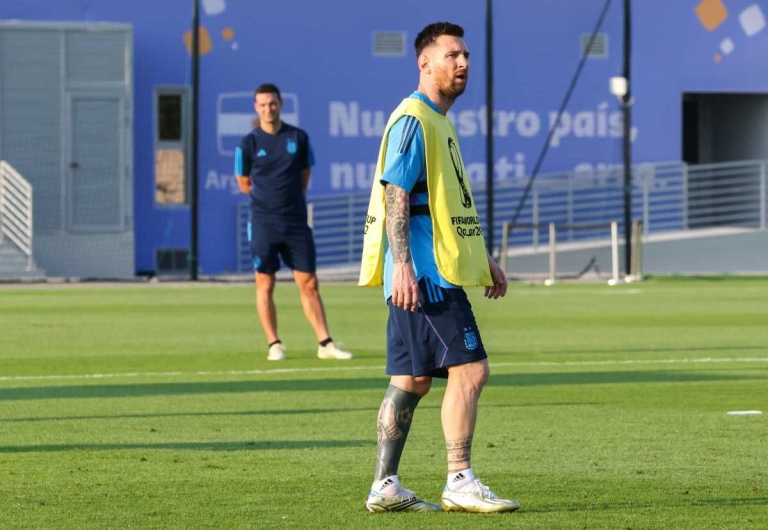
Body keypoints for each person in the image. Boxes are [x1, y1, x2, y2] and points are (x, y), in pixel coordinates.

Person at [359, 23, 520, 513]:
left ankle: (385, 487)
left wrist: (484, 258)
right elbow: (396, 194)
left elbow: (445, 205)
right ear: (424, 62)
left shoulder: (438, 121)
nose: (463, 62)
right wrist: (404, 267)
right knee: (471, 371)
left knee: (411, 379)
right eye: (452, 55)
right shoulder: (414, 119)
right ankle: (460, 480)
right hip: (427, 278)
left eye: (466, 54)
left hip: (429, 271)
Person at [236, 83, 353, 361]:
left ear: (280, 104)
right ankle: (274, 343)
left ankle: (325, 344)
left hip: (296, 222)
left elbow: (304, 177)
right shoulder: (248, 144)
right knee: (265, 283)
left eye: (272, 103)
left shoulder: (298, 138)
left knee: (309, 282)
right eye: (263, 104)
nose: (268, 109)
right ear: (256, 107)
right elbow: (244, 183)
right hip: (263, 223)